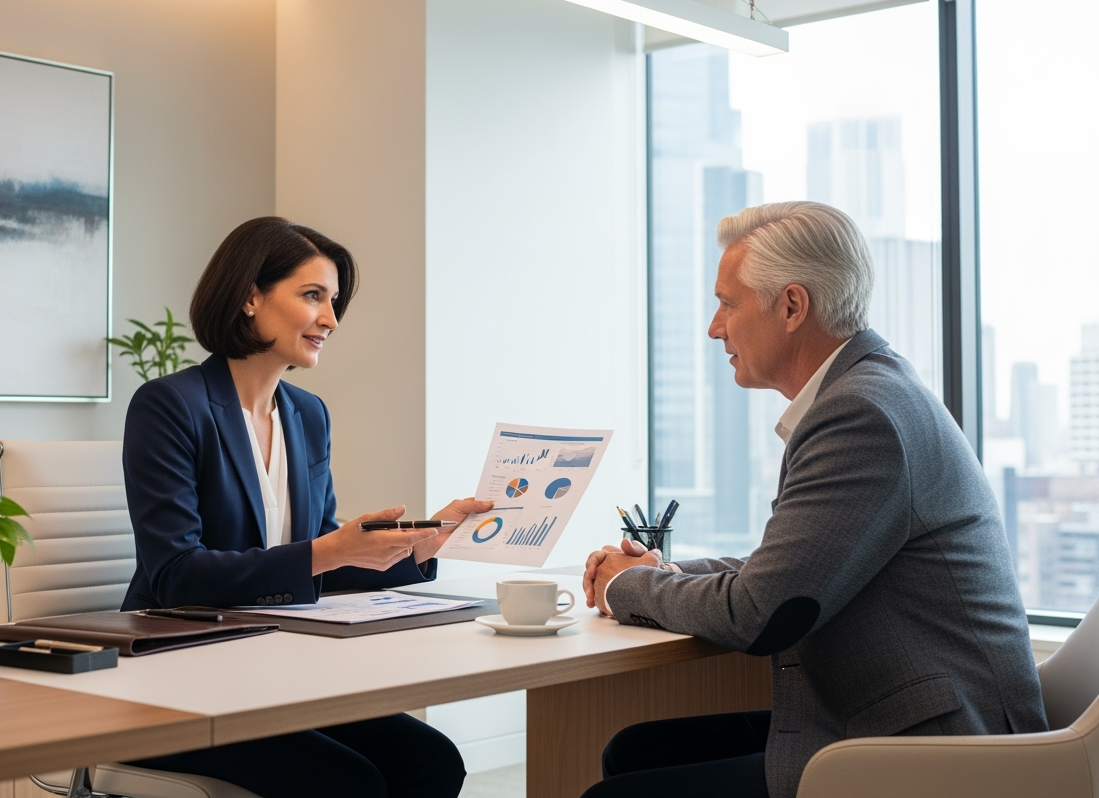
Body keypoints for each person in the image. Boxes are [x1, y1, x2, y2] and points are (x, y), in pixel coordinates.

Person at [581, 202, 1047, 798]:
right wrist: (664, 571)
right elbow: (788, 572)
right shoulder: (870, 390)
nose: (713, 327)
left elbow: (763, 613)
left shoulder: (860, 414)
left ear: (793, 306)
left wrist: (628, 585)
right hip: (894, 716)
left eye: (728, 302)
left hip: (931, 749)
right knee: (633, 751)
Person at [119, 216, 490, 798]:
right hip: (180, 680)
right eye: (312, 296)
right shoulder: (170, 406)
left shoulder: (307, 415)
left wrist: (415, 546)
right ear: (248, 298)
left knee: (431, 760)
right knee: (348, 783)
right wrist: (324, 550)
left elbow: (321, 566)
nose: (331, 319)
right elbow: (175, 577)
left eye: (333, 300)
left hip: (279, 670)